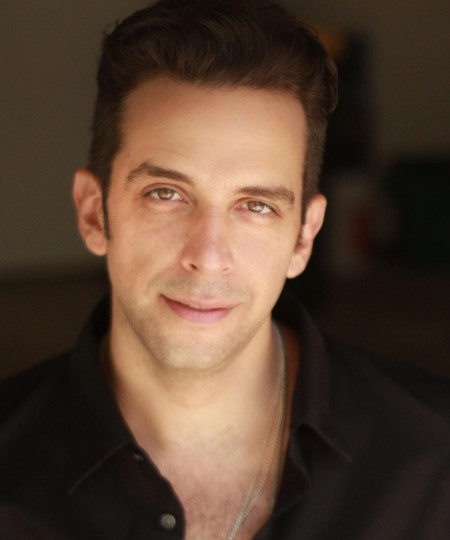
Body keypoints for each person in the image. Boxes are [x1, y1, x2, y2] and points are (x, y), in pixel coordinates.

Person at [0, 0, 449, 538]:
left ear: (303, 237)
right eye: (166, 193)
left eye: (256, 205)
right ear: (94, 213)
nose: (208, 256)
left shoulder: (435, 460)